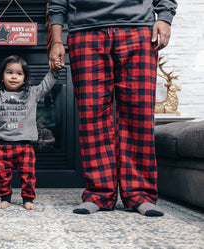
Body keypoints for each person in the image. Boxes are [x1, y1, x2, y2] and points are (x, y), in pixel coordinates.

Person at [48, 0, 177, 216]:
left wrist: (164, 17)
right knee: (92, 116)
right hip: (85, 32)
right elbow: (57, 2)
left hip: (138, 29)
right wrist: (57, 40)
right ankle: (98, 193)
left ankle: (140, 194)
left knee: (139, 114)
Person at [0, 55, 59, 210]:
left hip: (25, 146)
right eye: (9, 72)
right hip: (3, 145)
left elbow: (46, 85)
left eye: (19, 73)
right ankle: (5, 198)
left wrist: (54, 70)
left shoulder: (32, 93)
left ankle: (27, 199)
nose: (14, 76)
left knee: (28, 175)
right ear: (2, 77)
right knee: (2, 175)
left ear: (25, 78)